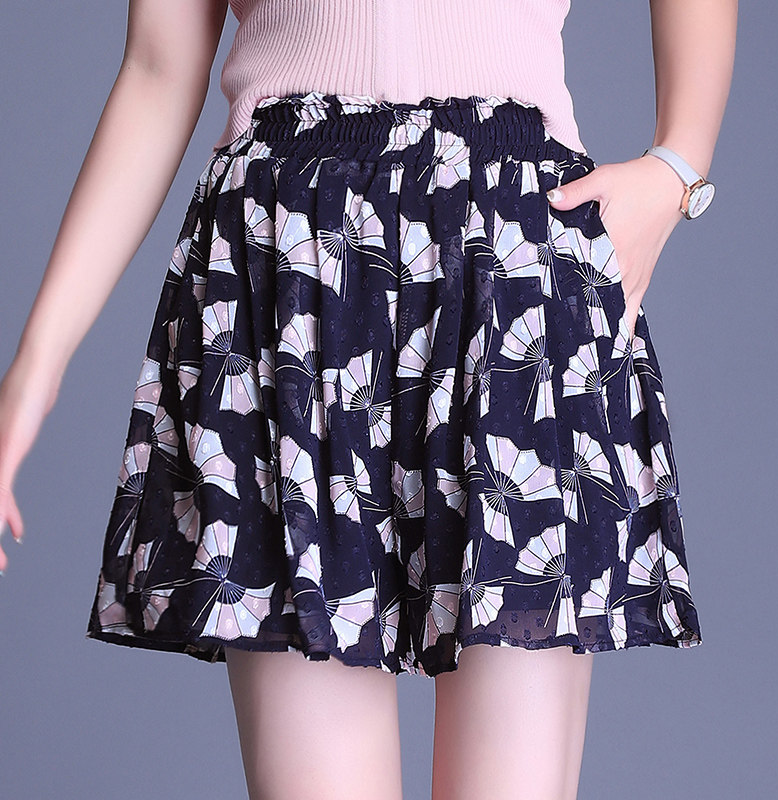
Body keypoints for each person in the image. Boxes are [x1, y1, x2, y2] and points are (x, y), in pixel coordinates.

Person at [0, 1, 736, 798]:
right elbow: (158, 67)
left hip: (510, 252)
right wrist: (33, 372)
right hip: (288, 267)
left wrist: (679, 162)